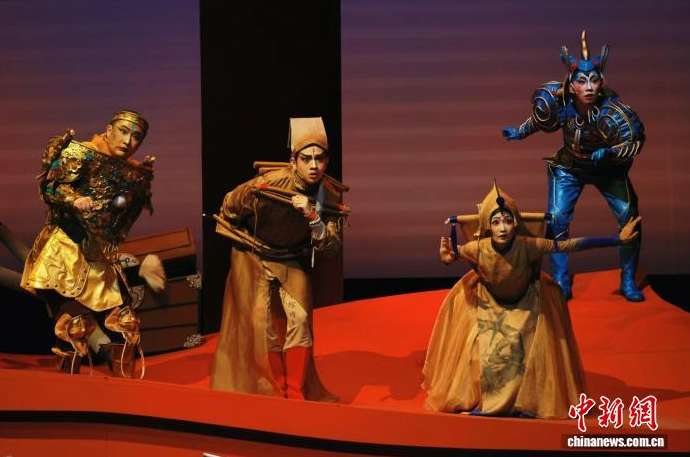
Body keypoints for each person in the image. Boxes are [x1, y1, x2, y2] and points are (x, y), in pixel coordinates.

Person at [422, 183, 640, 418]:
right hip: (489, 303)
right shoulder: (477, 248)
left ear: (516, 223)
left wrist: (616, 240)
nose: (502, 228)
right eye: (496, 222)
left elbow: (568, 245)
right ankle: (486, 401)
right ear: (487, 226)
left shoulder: (529, 246)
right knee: (484, 351)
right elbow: (452, 255)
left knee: (521, 346)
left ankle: (526, 403)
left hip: (525, 302)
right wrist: (447, 258)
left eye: (508, 221)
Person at [210, 117, 348, 400]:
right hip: (255, 255)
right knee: (265, 325)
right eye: (306, 159)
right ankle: (277, 389)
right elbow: (230, 205)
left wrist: (313, 216)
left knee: (300, 318)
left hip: (291, 257)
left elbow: (331, 248)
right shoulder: (268, 183)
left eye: (320, 159)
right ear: (293, 160)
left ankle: (295, 391)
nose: (314, 166)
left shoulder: (329, 196)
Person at [502, 31, 646, 301]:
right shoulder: (561, 102)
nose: (589, 87)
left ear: (601, 82)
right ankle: (560, 279)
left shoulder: (612, 108)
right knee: (557, 218)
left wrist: (610, 152)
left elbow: (634, 141)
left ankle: (628, 280)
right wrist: (520, 132)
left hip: (607, 171)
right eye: (582, 81)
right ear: (571, 85)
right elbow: (540, 119)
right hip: (569, 167)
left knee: (629, 216)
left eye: (594, 80)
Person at [21, 110, 159, 372]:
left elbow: (125, 211)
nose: (128, 141)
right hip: (66, 243)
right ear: (109, 129)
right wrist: (74, 199)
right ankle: (69, 377)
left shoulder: (131, 171)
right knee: (73, 323)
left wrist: (136, 190)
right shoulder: (81, 153)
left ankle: (122, 379)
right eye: (123, 132)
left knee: (125, 320)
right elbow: (50, 186)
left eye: (136, 137)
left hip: (99, 250)